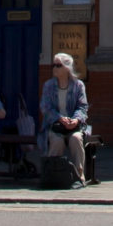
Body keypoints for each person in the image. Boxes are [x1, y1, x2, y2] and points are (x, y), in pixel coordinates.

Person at [37, 53, 90, 182]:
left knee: (76, 139)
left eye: (58, 65)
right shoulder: (49, 85)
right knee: (57, 141)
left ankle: (79, 174)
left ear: (67, 67)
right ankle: (52, 173)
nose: (54, 68)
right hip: (55, 125)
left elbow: (83, 107)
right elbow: (45, 107)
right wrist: (59, 118)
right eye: (53, 65)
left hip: (74, 125)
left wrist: (75, 119)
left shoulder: (78, 85)